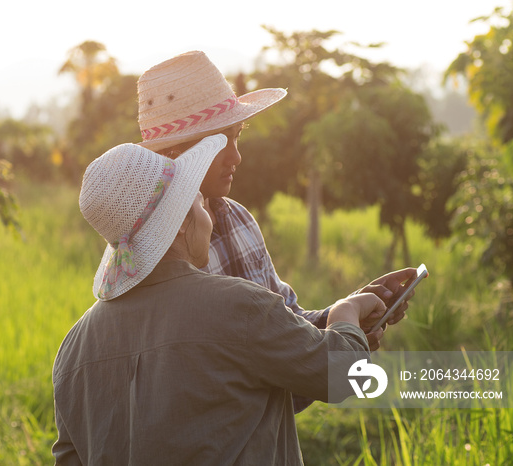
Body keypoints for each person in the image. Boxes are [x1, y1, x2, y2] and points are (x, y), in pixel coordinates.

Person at [52, 135, 387, 465]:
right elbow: (346, 375)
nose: (209, 215)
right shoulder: (239, 306)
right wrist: (347, 310)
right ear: (182, 222)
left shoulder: (73, 349)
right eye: (199, 203)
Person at [135, 50, 416, 355]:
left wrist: (349, 313)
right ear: (176, 154)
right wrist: (336, 344)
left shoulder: (239, 220)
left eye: (236, 137)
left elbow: (287, 322)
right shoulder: (154, 250)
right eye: (219, 142)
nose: (236, 157)